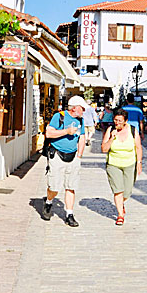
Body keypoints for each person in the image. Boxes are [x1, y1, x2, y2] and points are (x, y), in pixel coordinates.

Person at [41, 96, 87, 227]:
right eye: (82, 108)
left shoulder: (81, 121)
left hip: (73, 157)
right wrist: (67, 131)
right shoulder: (59, 116)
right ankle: (49, 201)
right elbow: (49, 134)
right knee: (54, 187)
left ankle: (69, 215)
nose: (84, 110)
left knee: (71, 187)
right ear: (75, 108)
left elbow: (82, 137)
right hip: (57, 155)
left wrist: (80, 155)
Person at [101, 108, 142, 225]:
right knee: (118, 190)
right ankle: (120, 214)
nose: (116, 123)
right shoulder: (110, 130)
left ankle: (121, 203)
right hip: (113, 164)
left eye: (119, 120)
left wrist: (139, 162)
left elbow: (138, 147)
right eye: (115, 120)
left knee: (127, 192)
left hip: (130, 164)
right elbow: (104, 149)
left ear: (126, 121)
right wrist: (111, 138)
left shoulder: (133, 130)